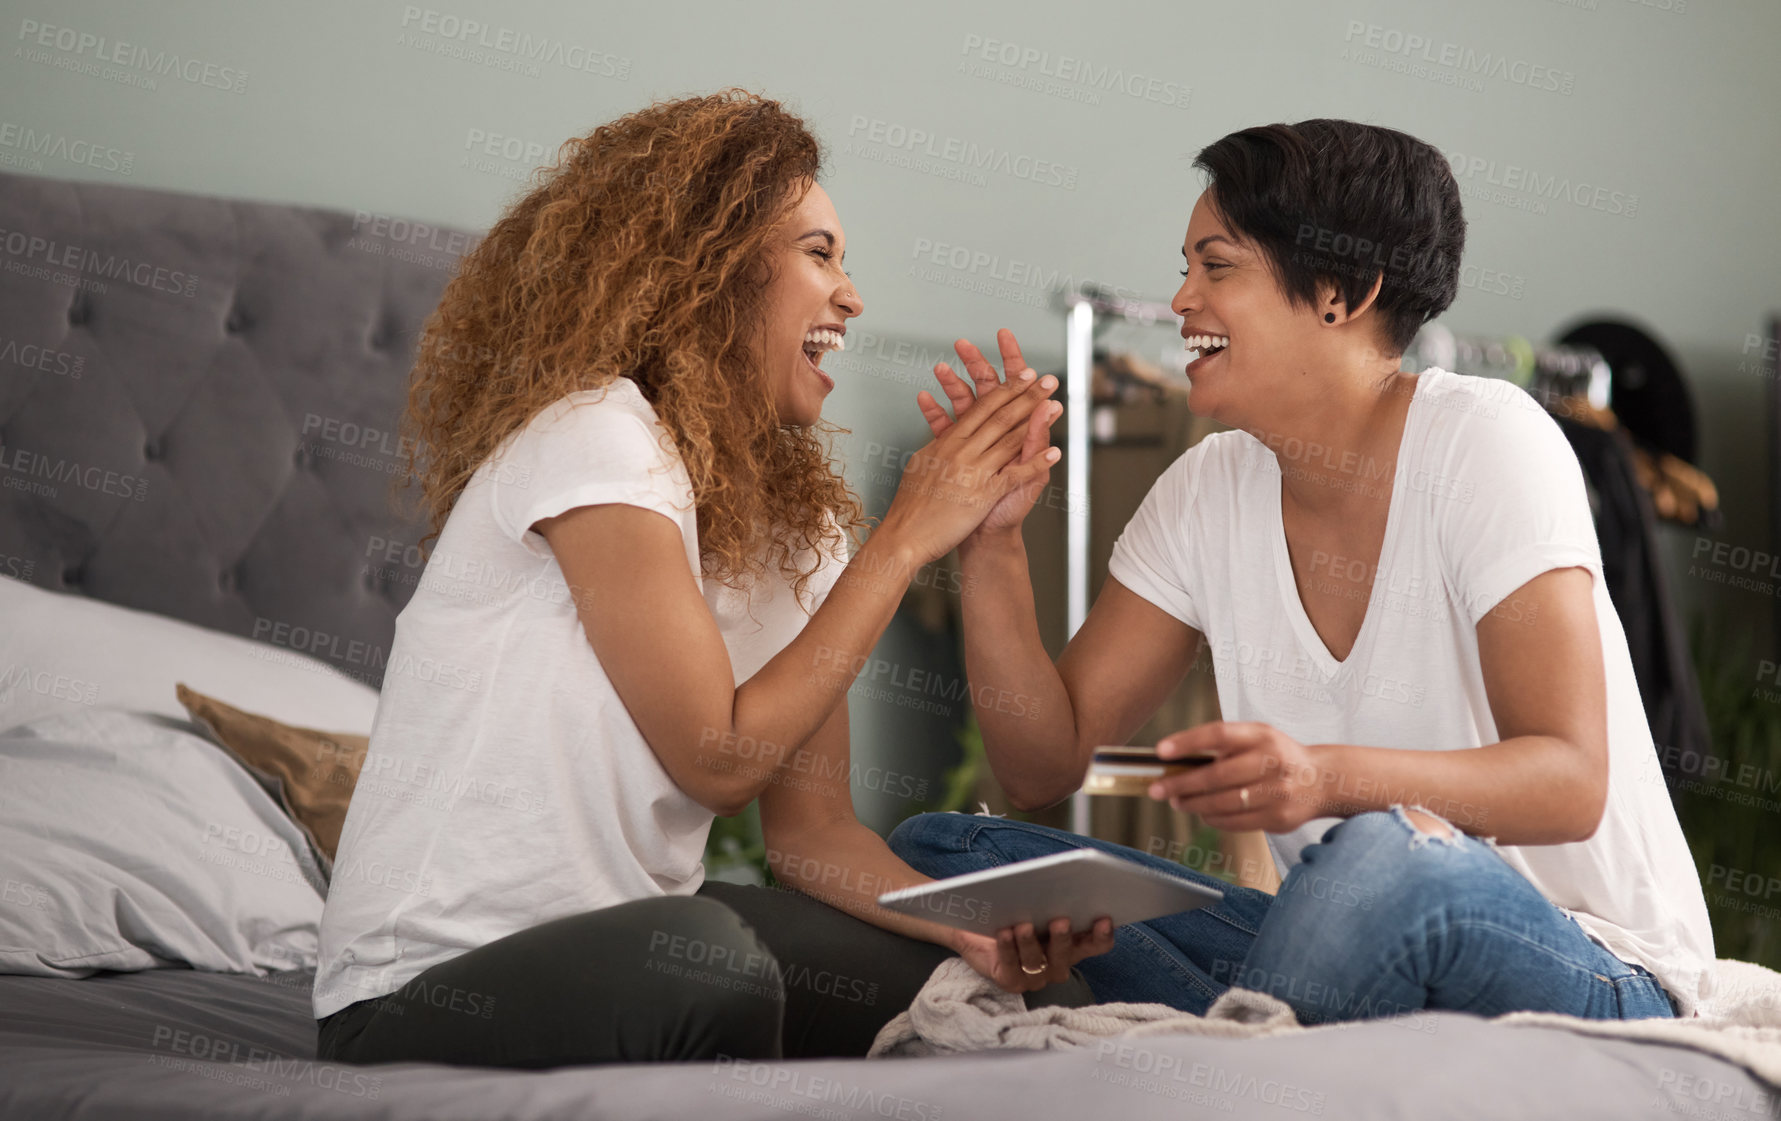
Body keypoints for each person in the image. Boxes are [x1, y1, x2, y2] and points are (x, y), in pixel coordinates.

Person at [311, 90, 1110, 1069]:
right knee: (708, 965)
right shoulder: (594, 437)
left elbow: (811, 833)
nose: (851, 294)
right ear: (710, 268)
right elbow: (716, 759)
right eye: (818, 254)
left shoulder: (796, 520)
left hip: (645, 941)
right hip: (430, 984)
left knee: (1017, 999)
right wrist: (903, 540)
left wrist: (968, 928)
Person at [889, 118, 1715, 1024]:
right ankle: (1263, 1032)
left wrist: (1322, 778)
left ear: (1338, 292)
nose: (1179, 300)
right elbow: (1042, 763)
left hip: (1593, 962)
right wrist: (991, 537)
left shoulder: (1488, 439)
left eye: (1216, 267)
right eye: (1185, 268)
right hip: (1338, 931)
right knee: (951, 850)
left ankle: (1243, 1049)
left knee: (1385, 854)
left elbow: (1566, 781)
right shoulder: (1205, 488)